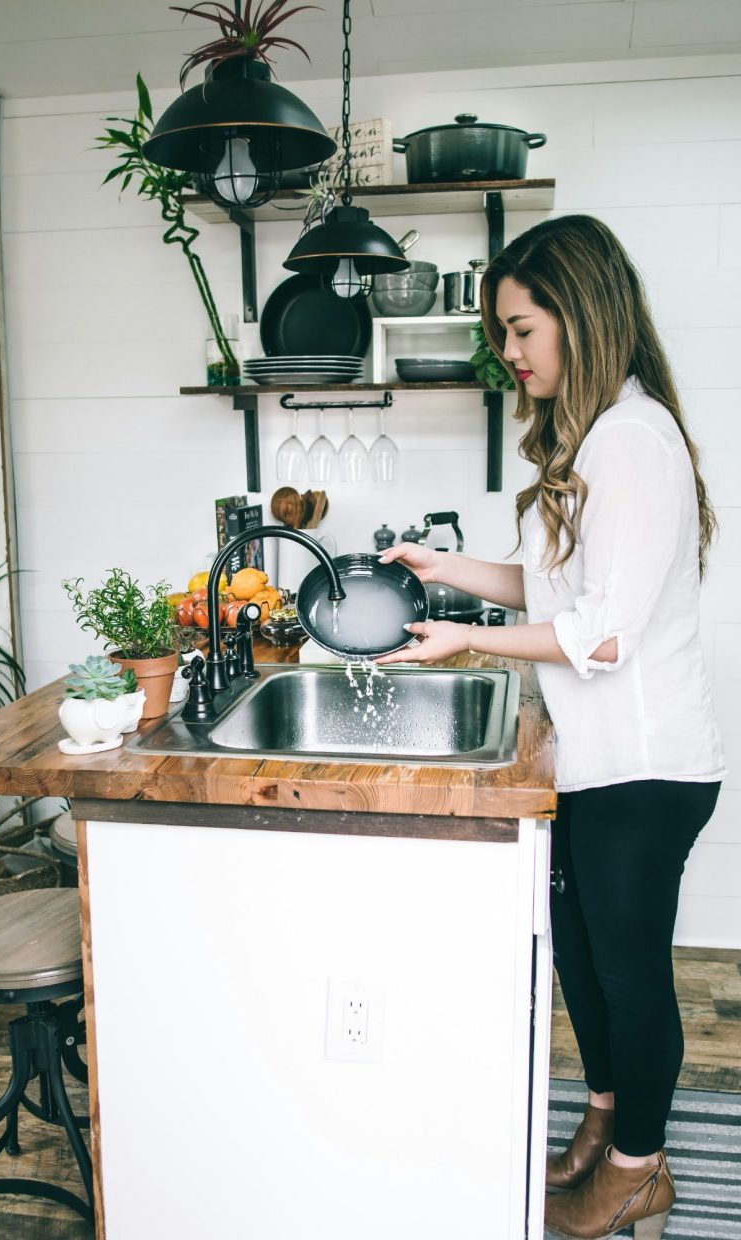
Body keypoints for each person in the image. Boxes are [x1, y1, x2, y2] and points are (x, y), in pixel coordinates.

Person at [376, 214, 725, 1240]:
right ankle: (609, 1121)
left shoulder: (633, 440)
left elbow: (603, 634)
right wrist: (445, 575)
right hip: (596, 759)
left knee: (627, 972)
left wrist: (468, 645)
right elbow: (545, 582)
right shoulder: (591, 435)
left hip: (648, 765)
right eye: (504, 333)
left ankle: (637, 1170)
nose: (510, 352)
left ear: (581, 313)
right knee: (583, 961)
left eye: (523, 328)